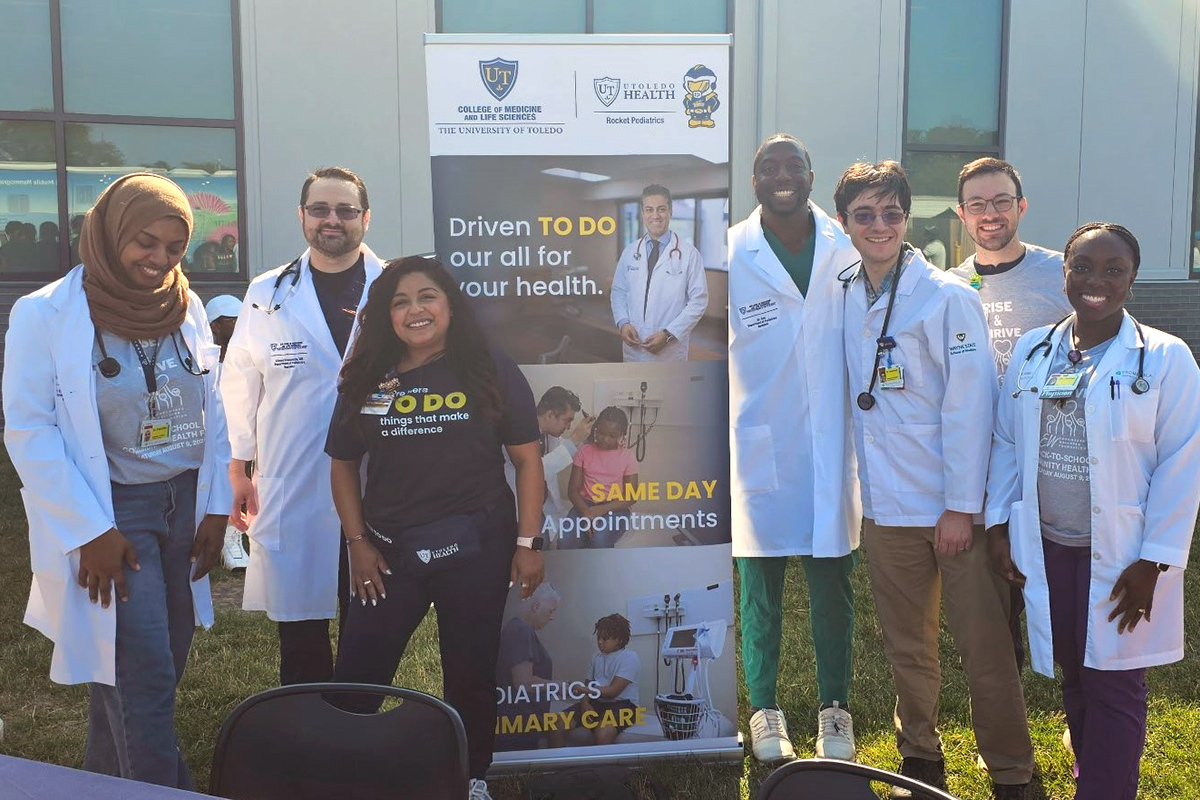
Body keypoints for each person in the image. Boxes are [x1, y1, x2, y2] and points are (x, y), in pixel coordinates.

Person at [2, 173, 231, 788]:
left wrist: (216, 507)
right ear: (110, 233)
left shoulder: (187, 305)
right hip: (113, 509)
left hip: (182, 503)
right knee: (145, 669)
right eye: (145, 243)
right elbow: (27, 429)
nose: (158, 261)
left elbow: (214, 407)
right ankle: (168, 789)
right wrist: (89, 528)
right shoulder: (44, 314)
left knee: (157, 659)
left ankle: (102, 784)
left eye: (173, 249)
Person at [836, 161, 1033, 799]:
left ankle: (1011, 773)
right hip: (888, 509)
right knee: (907, 649)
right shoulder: (842, 292)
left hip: (954, 513)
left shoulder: (949, 298)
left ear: (907, 220)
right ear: (844, 224)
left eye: (891, 213)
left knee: (985, 649)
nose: (879, 225)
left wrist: (958, 507)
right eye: (864, 214)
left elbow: (971, 408)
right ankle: (919, 757)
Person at [987, 223, 1200, 800]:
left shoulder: (1165, 358)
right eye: (1082, 267)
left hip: (1123, 553)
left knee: (1114, 681)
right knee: (1075, 671)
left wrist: (1153, 562)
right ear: (1065, 273)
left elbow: (1183, 465)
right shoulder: (1035, 349)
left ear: (1133, 277)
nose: (1096, 281)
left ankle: (1106, 789)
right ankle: (1092, 769)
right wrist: (1000, 524)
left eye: (1113, 269)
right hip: (1049, 542)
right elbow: (1008, 442)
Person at [325, 256, 545, 800]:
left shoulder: (489, 367)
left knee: (470, 668)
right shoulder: (370, 374)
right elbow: (343, 463)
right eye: (400, 301)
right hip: (388, 553)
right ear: (385, 316)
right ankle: (341, 775)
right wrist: (357, 543)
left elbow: (527, 460)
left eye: (427, 297)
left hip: (477, 545)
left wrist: (527, 543)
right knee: (357, 672)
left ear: (449, 305)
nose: (415, 310)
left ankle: (470, 779)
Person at [221, 166, 384, 685]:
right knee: (299, 628)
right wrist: (238, 464)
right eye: (320, 209)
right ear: (301, 215)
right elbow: (240, 381)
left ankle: (355, 724)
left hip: (377, 479)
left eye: (345, 210)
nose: (331, 220)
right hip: (292, 477)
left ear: (365, 218)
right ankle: (306, 725)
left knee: (370, 619)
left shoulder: (394, 288)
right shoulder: (268, 292)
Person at [728, 133, 861, 764]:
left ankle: (835, 707)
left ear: (812, 175)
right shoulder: (731, 249)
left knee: (833, 582)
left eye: (793, 166)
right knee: (760, 585)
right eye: (768, 168)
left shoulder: (846, 245)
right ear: (753, 181)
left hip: (833, 439)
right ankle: (764, 708)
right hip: (761, 438)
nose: (782, 175)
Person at [949, 157, 1074, 675]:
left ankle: (1079, 712)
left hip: (1054, 452)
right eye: (977, 204)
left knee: (1064, 590)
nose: (990, 213)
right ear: (961, 215)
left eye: (1002, 200)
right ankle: (1009, 718)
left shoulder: (1059, 273)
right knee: (999, 596)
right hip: (984, 458)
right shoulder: (950, 286)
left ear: (1021, 206)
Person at [610, 184, 708, 362]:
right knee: (633, 388)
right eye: (649, 209)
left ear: (670, 212)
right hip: (634, 348)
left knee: (668, 389)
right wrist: (623, 322)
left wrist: (668, 334)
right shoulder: (630, 251)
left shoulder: (689, 254)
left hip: (669, 352)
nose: (655, 215)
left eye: (661, 209)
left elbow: (698, 301)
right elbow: (618, 291)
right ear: (642, 213)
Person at [505, 386, 594, 547]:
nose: (568, 427)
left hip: (542, 507)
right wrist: (574, 439)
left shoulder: (548, 435)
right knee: (540, 544)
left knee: (554, 542)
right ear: (550, 415)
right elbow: (536, 471)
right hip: (519, 509)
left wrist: (588, 439)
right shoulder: (517, 433)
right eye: (567, 420)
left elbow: (563, 452)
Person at [204, 294, 250, 572]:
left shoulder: (246, 358)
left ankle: (235, 539)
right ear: (215, 326)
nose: (240, 325)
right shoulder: (203, 361)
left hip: (242, 438)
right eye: (233, 320)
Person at [495, 582, 561, 751]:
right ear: (536, 606)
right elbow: (524, 683)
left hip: (521, 723)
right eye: (551, 611)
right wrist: (559, 686)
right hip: (518, 725)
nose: (552, 617)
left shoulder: (518, 629)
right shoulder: (520, 631)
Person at [564, 406, 639, 549]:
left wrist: (602, 510)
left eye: (612, 436)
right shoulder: (584, 452)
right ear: (596, 429)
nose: (605, 439)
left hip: (616, 507)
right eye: (602, 433)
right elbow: (572, 491)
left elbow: (631, 496)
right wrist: (587, 512)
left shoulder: (628, 457)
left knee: (599, 540)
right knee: (567, 541)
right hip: (585, 505)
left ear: (622, 434)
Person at [570, 613, 640, 746]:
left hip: (624, 705)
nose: (600, 642)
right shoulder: (596, 657)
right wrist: (584, 703)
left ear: (619, 639)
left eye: (605, 638)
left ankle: (598, 768)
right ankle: (560, 765)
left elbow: (613, 691)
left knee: (602, 733)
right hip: (597, 702)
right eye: (598, 638)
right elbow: (588, 685)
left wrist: (583, 689)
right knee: (558, 724)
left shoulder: (629, 658)